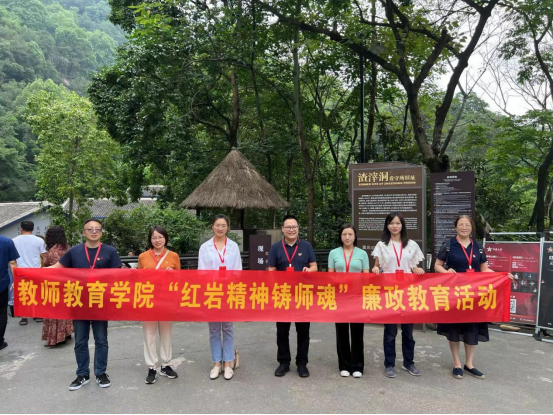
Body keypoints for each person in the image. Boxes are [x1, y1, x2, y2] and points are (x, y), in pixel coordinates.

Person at [435, 215, 513, 380]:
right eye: (461, 225)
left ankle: (469, 364)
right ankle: (457, 364)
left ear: (471, 228)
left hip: (474, 295)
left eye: (467, 225)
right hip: (455, 295)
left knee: (472, 328)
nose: (464, 227)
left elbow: (484, 269)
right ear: (455, 227)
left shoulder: (478, 247)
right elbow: (437, 265)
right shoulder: (448, 245)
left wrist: (502, 275)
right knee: (454, 329)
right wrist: (446, 272)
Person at [49, 219, 122, 391]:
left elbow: (118, 275)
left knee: (101, 340)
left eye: (97, 229)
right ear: (83, 232)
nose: (94, 231)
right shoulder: (74, 251)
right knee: (80, 340)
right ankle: (82, 374)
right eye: (90, 229)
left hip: (100, 303)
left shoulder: (110, 251)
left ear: (101, 232)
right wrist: (25, 275)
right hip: (79, 303)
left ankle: (101, 373)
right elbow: (56, 268)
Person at [372, 212, 425, 379]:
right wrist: (375, 269)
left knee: (408, 332)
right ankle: (389, 364)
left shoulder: (411, 245)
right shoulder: (382, 245)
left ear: (402, 225)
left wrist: (417, 269)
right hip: (390, 293)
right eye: (391, 223)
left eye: (398, 223)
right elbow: (378, 266)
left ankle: (408, 362)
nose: (395, 226)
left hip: (408, 293)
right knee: (390, 332)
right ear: (387, 225)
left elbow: (413, 266)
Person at [268, 215, 318, 378]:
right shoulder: (276, 247)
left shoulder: (306, 246)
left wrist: (309, 270)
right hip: (283, 295)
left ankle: (302, 363)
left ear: (298, 228)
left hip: (302, 295)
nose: (291, 230)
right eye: (288, 227)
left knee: (303, 332)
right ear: (282, 229)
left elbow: (314, 266)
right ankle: (284, 362)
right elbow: (271, 270)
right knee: (282, 331)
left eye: (294, 227)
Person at [198, 215, 242, 381]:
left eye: (223, 225)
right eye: (217, 225)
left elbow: (238, 271)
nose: (220, 228)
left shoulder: (233, 246)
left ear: (228, 227)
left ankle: (228, 363)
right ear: (212, 226)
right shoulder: (205, 247)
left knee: (228, 328)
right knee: (214, 329)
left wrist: (229, 281)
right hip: (212, 292)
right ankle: (217, 363)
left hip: (229, 292)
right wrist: (215, 280)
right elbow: (202, 272)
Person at [138, 226, 181, 385]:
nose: (157, 240)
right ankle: (151, 367)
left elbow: (180, 279)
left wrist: (173, 274)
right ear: (150, 239)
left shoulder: (173, 256)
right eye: (154, 237)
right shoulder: (143, 257)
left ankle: (166, 364)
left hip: (166, 301)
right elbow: (138, 280)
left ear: (165, 238)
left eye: (160, 237)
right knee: (149, 335)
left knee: (166, 334)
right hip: (148, 301)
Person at [328, 224, 370, 379]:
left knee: (357, 332)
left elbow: (366, 276)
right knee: (342, 332)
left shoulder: (362, 253)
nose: (347, 237)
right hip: (340, 298)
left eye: (350, 234)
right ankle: (344, 365)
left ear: (355, 236)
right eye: (344, 234)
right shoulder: (333, 253)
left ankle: (357, 365)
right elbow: (330, 275)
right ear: (340, 236)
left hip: (357, 298)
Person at [41, 226, 74, 347]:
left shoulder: (53, 251)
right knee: (66, 308)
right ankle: (67, 332)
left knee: (54, 310)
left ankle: (56, 338)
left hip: (54, 283)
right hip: (67, 282)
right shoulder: (68, 247)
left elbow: (48, 265)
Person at [13, 221, 48, 326]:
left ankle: (24, 317)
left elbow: (13, 259)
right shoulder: (39, 240)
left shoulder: (14, 241)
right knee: (36, 292)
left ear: (21, 229)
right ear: (33, 229)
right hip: (36, 270)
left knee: (24, 293)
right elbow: (44, 255)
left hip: (21, 270)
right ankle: (37, 314)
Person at [0, 236, 19, 351]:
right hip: (1, 283)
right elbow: (12, 263)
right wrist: (16, 280)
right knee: (2, 312)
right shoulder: (6, 242)